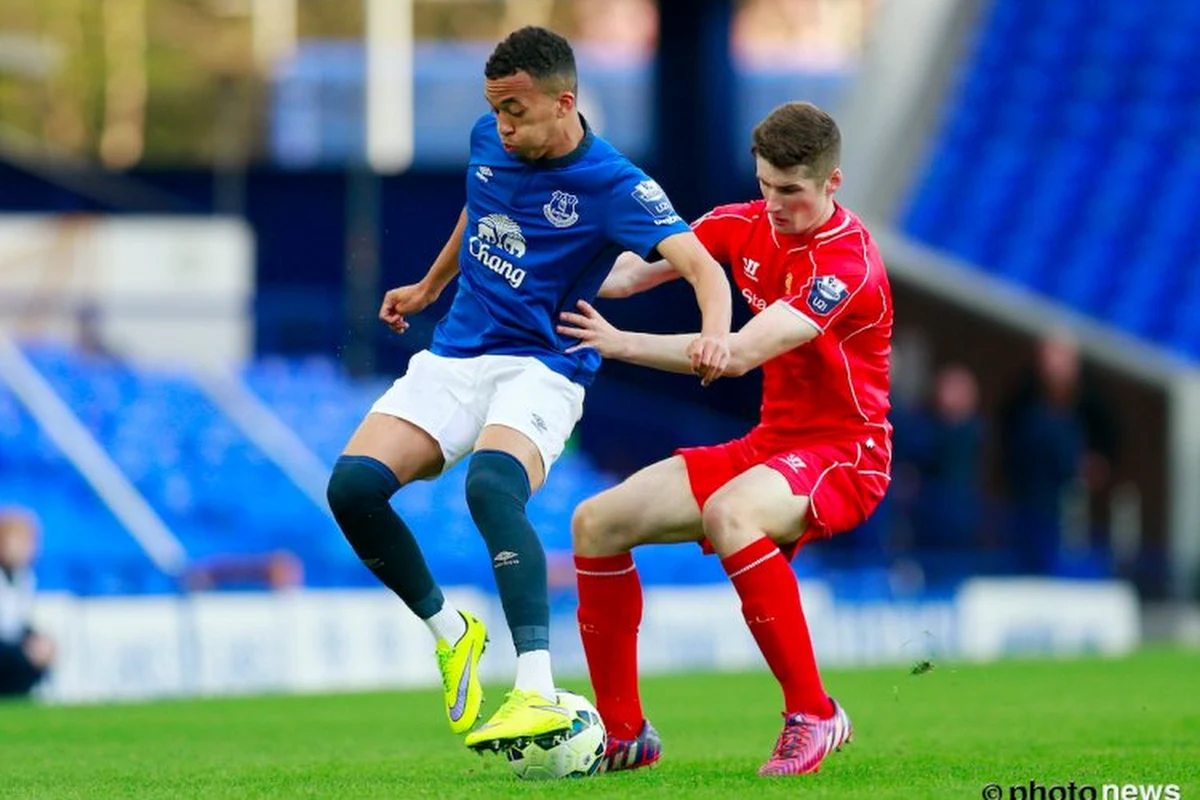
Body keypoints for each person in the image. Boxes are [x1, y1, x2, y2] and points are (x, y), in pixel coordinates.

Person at [324, 26, 732, 751]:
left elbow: (703, 268)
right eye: (496, 110)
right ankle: (452, 633)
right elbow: (479, 208)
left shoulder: (615, 183)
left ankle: (536, 691)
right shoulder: (492, 140)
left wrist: (715, 336)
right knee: (351, 488)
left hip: (544, 364)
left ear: (563, 103)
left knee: (490, 487)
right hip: (456, 354)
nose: (501, 126)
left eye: (515, 110)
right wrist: (427, 285)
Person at [560, 101, 892, 776]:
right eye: (765, 184)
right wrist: (559, 267)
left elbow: (735, 354)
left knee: (731, 512)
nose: (774, 204)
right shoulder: (738, 223)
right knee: (596, 521)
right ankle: (625, 734)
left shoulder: (846, 264)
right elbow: (629, 274)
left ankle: (815, 713)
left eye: (791, 191)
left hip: (846, 451)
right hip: (771, 443)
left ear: (832, 184)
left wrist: (620, 345)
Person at [0, 508, 56, 698]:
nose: (28, 548)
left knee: (39, 650)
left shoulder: (24, 577)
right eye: (20, 541)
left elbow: (18, 621)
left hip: (9, 646)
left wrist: (38, 641)